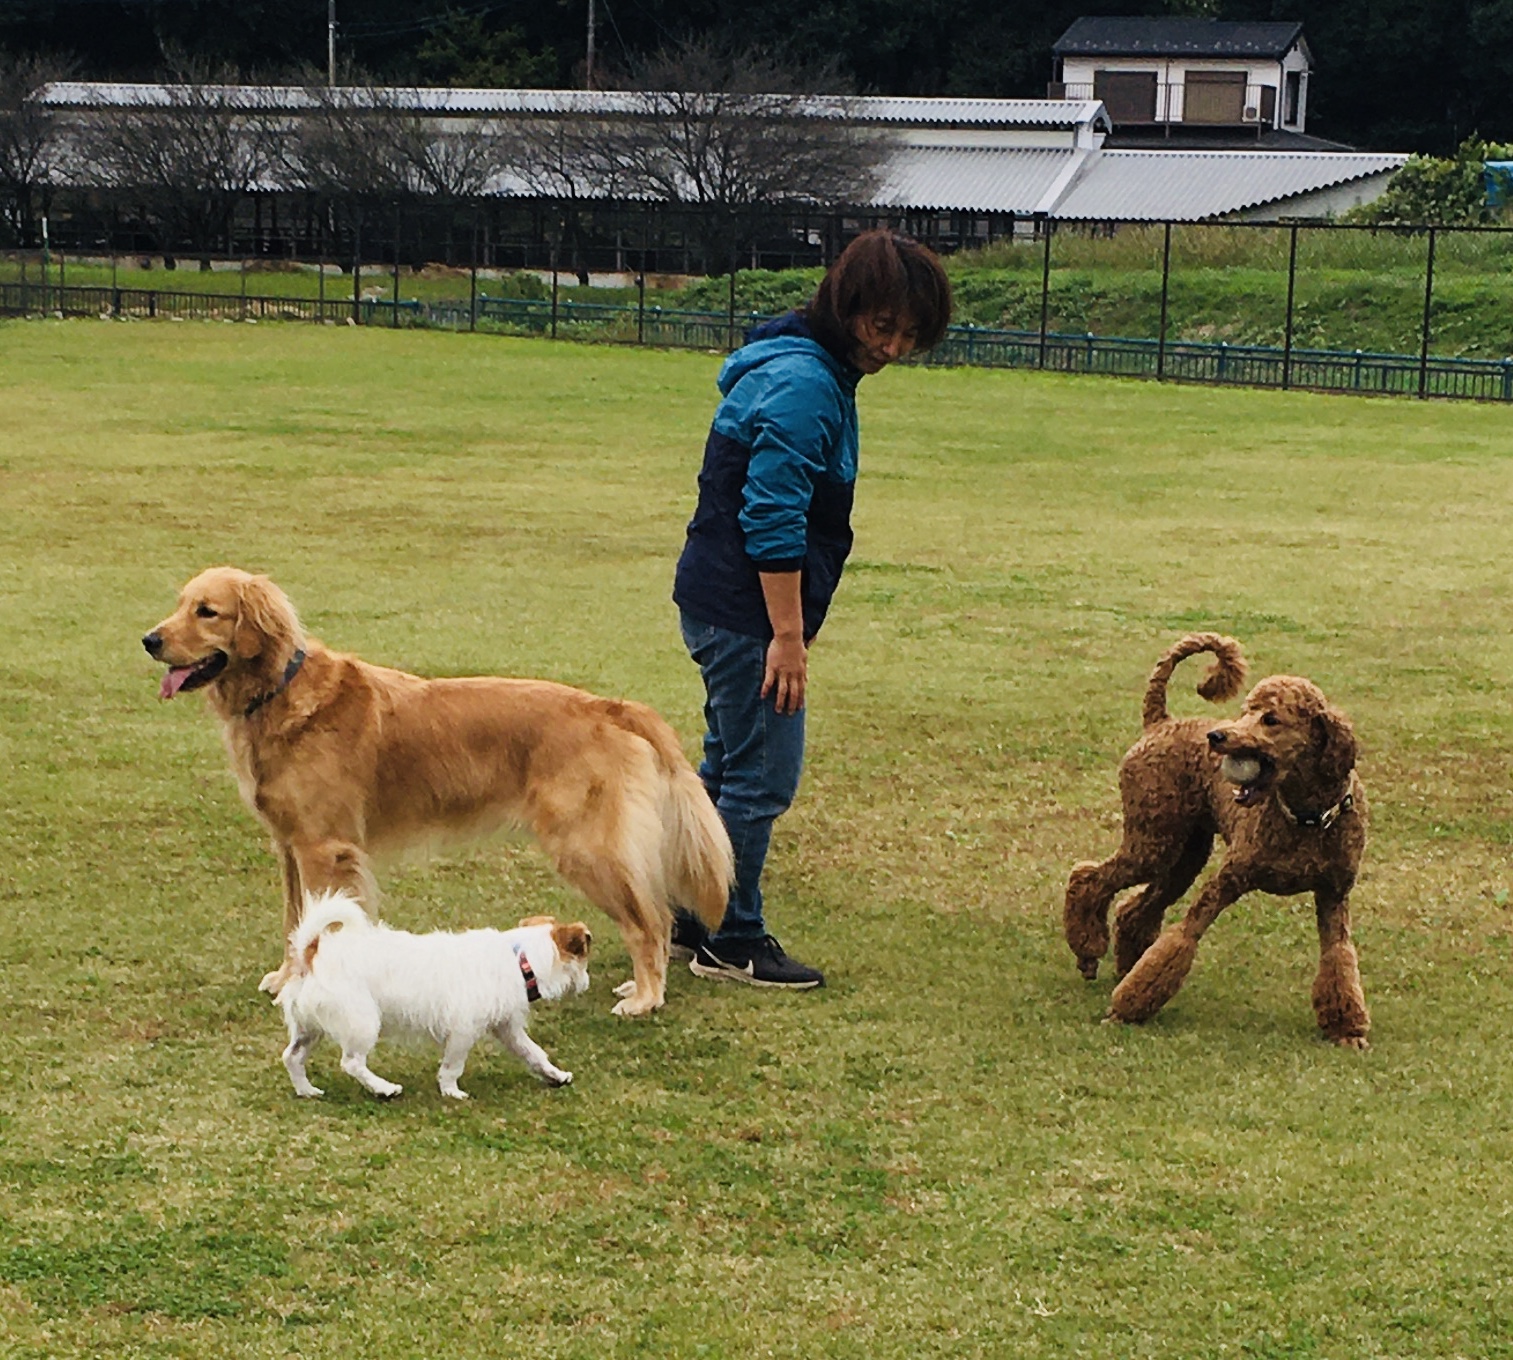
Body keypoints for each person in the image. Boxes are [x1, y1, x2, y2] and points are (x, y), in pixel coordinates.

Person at [671, 229, 953, 989]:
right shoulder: (805, 383)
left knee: (728, 762)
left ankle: (688, 912)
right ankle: (731, 936)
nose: (892, 348)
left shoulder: (804, 364)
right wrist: (786, 636)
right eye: (881, 326)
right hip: (745, 612)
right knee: (761, 778)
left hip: (719, 600)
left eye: (909, 335)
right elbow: (772, 516)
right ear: (845, 304)